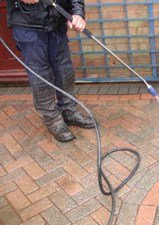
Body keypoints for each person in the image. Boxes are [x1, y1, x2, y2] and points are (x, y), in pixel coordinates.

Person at [6, 0, 94, 142]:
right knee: (40, 74)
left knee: (64, 68)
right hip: (28, 24)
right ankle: (52, 119)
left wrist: (77, 13)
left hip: (56, 22)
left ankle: (68, 111)